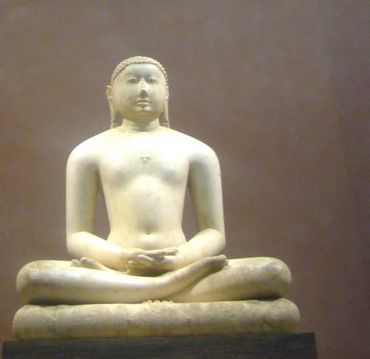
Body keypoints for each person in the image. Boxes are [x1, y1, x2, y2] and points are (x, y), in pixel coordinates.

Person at [16, 56, 292, 306]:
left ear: (167, 93)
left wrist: (181, 259)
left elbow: (214, 232)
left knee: (273, 273)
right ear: (111, 96)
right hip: (117, 270)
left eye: (151, 81)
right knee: (33, 278)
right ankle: (169, 290)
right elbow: (77, 236)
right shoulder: (87, 153)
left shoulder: (196, 151)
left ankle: (143, 290)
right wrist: (122, 258)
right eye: (133, 81)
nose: (143, 89)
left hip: (183, 268)